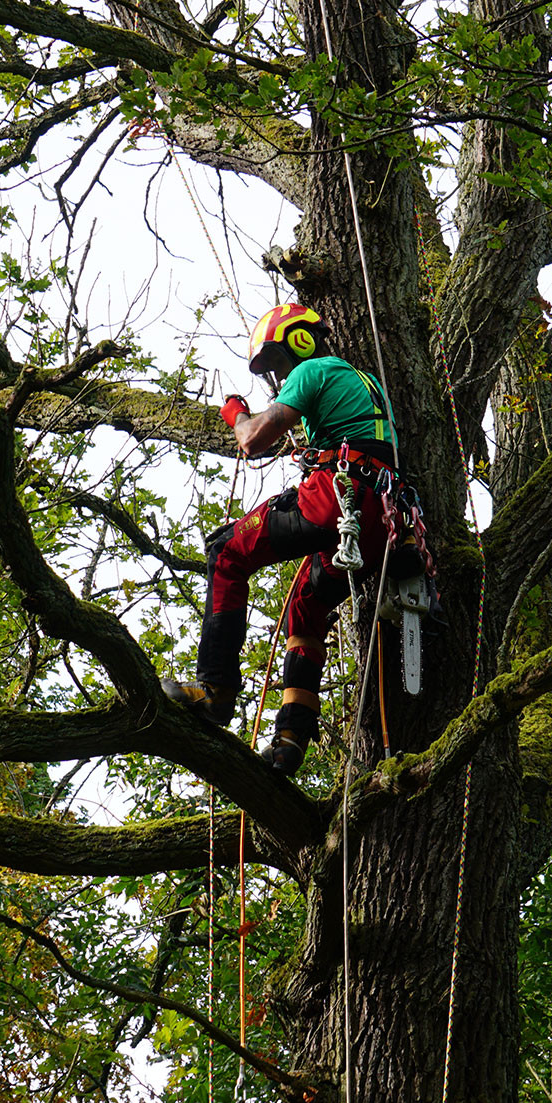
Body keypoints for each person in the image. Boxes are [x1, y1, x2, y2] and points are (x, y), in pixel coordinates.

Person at [164, 303, 400, 775]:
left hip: (337, 497)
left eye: (277, 362)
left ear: (299, 342)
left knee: (226, 551)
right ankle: (291, 740)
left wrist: (236, 414)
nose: (279, 377)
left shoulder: (313, 370)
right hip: (382, 520)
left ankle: (214, 688)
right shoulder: (365, 383)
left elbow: (253, 440)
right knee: (305, 608)